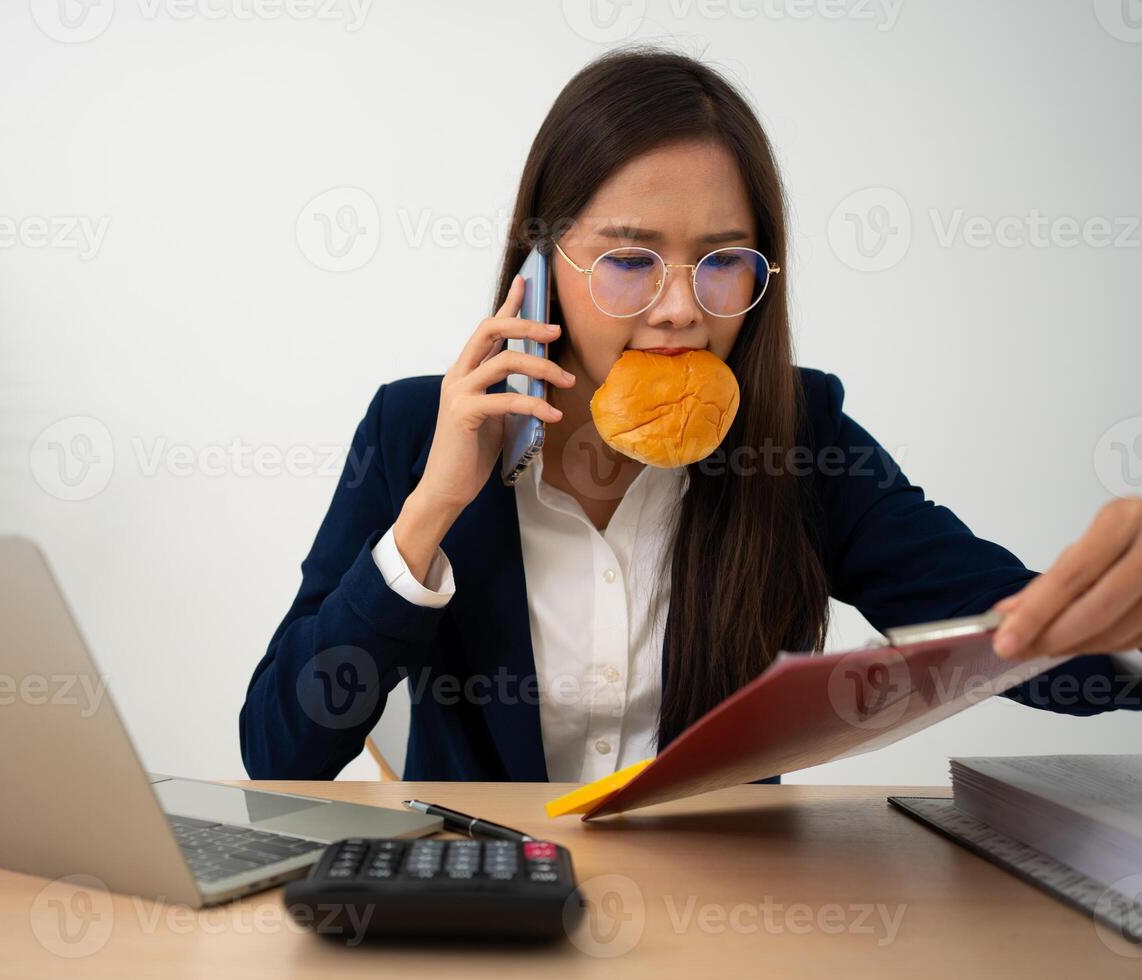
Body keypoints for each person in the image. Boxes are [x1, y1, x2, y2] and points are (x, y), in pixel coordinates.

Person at [240, 46, 1142, 783]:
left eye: (722, 261)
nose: (681, 309)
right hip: (493, 910)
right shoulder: (416, 433)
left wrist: (1120, 622)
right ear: (543, 265)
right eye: (631, 259)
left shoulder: (800, 437)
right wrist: (429, 512)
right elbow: (282, 751)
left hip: (727, 919)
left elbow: (1007, 633)